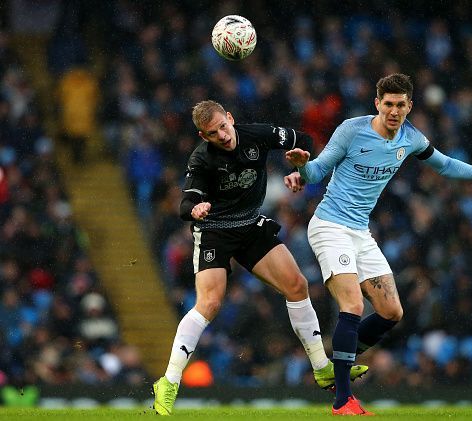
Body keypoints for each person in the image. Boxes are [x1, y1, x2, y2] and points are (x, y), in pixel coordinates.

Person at [285, 73, 472, 415]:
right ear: (377, 103)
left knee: (391, 312)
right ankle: (342, 399)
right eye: (388, 104)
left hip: (360, 232)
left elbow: (445, 166)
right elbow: (318, 172)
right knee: (353, 306)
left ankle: (337, 364)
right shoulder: (351, 130)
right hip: (330, 226)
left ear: (409, 106)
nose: (394, 111)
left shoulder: (412, 138)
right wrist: (303, 166)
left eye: (401, 105)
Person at [152, 100, 368, 416]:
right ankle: (168, 382)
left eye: (223, 126)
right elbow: (186, 203)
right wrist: (195, 210)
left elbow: (303, 141)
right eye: (213, 133)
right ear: (203, 136)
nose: (222, 136)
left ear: (230, 117)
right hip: (215, 230)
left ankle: (322, 368)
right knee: (209, 304)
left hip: (250, 224)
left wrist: (302, 166)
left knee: (296, 285)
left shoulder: (258, 135)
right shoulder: (202, 160)